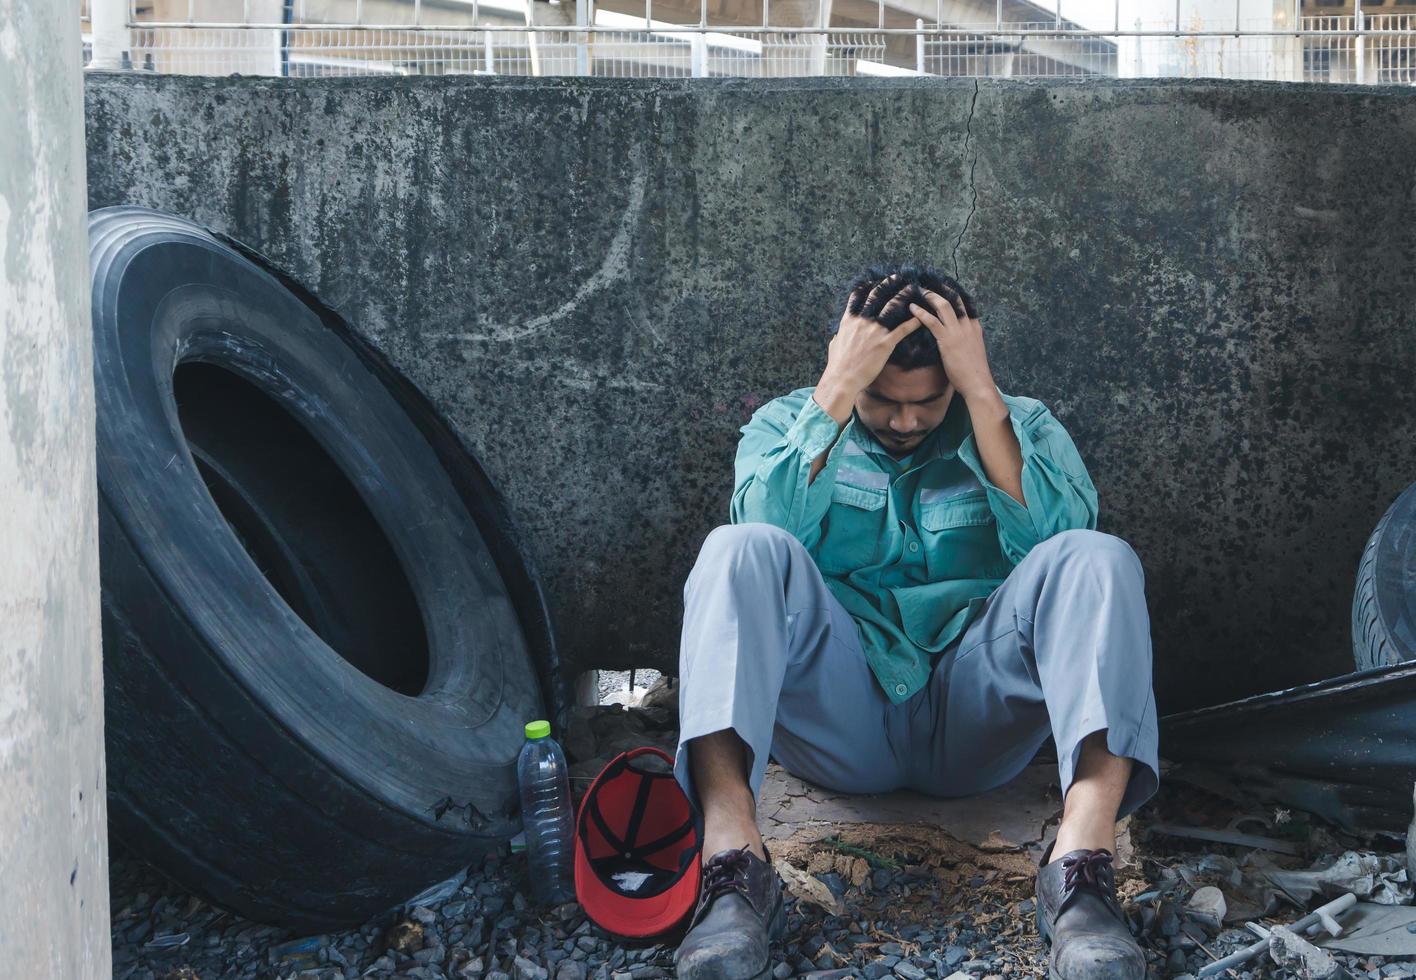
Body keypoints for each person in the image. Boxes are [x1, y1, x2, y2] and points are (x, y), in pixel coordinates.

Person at [671, 264, 1159, 980]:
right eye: (882, 399)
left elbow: (1059, 546)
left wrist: (981, 393)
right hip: (840, 719)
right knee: (735, 547)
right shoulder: (788, 423)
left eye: (927, 402)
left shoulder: (1015, 424)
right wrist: (837, 391)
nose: (905, 421)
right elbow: (761, 543)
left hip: (972, 720)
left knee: (1100, 557)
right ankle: (733, 869)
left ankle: (1080, 875)